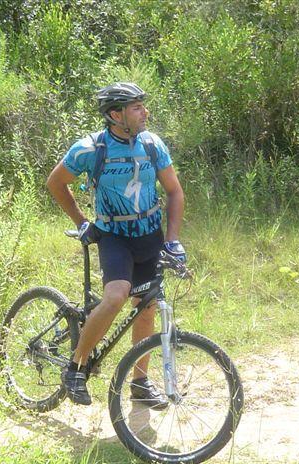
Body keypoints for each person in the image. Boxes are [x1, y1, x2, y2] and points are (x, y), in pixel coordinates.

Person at [46, 82, 186, 408]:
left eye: (143, 106)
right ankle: (76, 367)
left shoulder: (152, 145)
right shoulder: (91, 149)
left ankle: (140, 381)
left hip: (149, 235)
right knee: (116, 296)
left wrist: (173, 241)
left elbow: (174, 192)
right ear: (115, 114)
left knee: (147, 306)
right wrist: (82, 222)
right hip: (114, 236)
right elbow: (56, 183)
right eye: (137, 107)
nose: (145, 112)